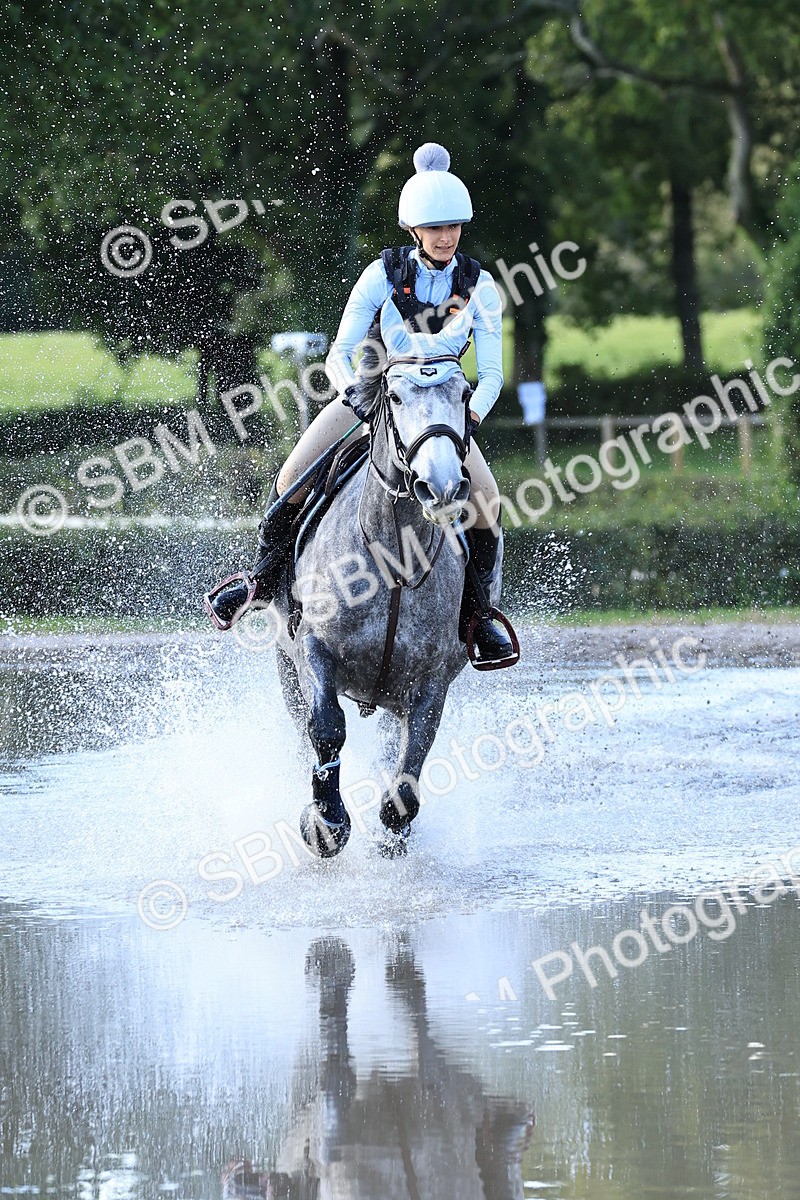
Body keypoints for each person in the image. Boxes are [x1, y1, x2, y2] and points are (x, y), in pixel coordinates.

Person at [206, 142, 514, 661]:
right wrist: (358, 397)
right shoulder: (382, 275)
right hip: (375, 393)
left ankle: (478, 618)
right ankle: (259, 584)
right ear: (414, 230)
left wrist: (470, 416)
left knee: (487, 506)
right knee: (291, 480)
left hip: (443, 409)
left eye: (453, 227)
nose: (446, 237)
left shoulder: (479, 286)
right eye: (436, 228)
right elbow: (341, 354)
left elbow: (492, 374)